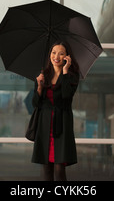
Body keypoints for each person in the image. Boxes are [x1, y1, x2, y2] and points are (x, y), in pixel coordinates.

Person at [31, 41, 79, 181]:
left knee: (59, 169)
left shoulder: (72, 76)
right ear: (49, 55)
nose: (56, 56)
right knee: (47, 170)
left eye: (61, 53)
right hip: (45, 126)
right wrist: (39, 87)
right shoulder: (43, 75)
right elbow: (35, 103)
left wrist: (64, 72)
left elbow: (66, 97)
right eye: (53, 52)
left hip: (62, 126)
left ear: (66, 57)